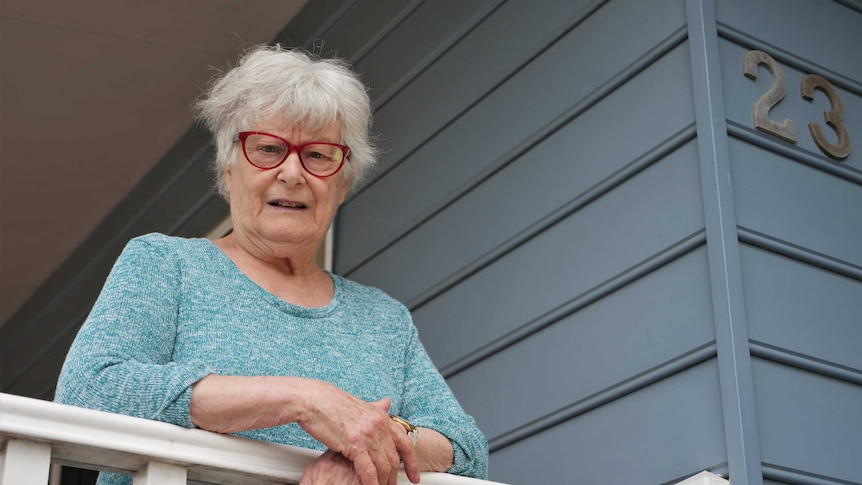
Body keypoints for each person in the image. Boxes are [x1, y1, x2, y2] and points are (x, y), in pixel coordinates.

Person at [54, 44, 488, 485]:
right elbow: (89, 389)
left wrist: (374, 440)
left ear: (342, 183)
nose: (293, 173)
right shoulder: (167, 264)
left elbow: (466, 447)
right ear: (228, 169)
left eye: (318, 155)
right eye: (267, 149)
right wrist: (304, 400)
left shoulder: (384, 320)